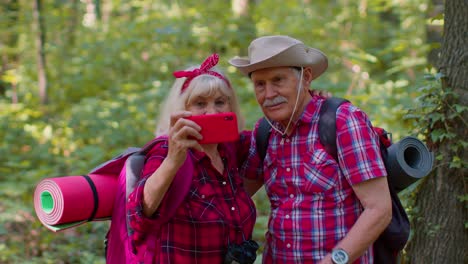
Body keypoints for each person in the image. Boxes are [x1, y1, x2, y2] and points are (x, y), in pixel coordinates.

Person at [229, 35, 392, 264]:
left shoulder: (343, 121)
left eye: (278, 80)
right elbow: (235, 197)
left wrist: (335, 261)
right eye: (260, 84)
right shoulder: (265, 132)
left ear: (306, 78)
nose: (268, 94)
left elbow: (379, 209)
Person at [126, 53, 258, 263]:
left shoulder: (230, 149)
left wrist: (310, 102)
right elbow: (138, 215)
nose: (211, 112)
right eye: (199, 103)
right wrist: (172, 161)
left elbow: (274, 134)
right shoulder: (166, 149)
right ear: (181, 109)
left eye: (220, 102)